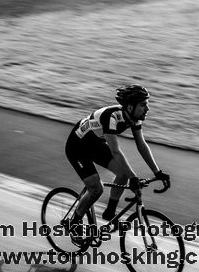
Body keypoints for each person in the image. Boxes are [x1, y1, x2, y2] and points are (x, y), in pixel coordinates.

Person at [64, 84, 171, 244]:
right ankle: (74, 222)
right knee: (96, 189)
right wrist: (134, 177)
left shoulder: (133, 118)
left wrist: (157, 172)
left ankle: (110, 213)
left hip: (94, 144)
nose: (147, 109)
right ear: (130, 106)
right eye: (143, 105)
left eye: (146, 104)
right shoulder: (111, 116)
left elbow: (141, 145)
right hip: (77, 147)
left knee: (123, 174)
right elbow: (116, 152)